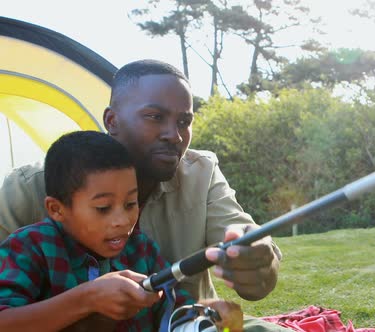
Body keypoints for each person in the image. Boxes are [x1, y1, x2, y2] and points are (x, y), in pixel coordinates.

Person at [0, 60, 288, 331]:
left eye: (184, 121)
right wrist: (84, 300)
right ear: (112, 121)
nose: (174, 135)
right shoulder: (28, 190)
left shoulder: (198, 179)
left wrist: (255, 257)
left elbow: (247, 275)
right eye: (155, 116)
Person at [0, 131, 243, 331]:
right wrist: (87, 299)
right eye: (103, 208)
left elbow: (176, 310)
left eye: (130, 204)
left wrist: (207, 315)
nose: (122, 220)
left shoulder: (142, 250)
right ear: (56, 209)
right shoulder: (29, 247)